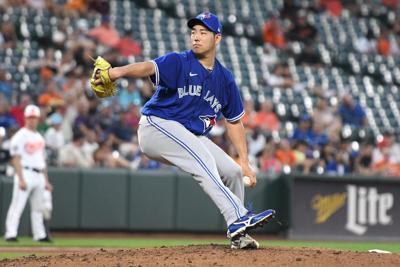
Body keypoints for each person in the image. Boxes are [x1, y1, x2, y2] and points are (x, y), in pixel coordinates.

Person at [93, 12, 275, 249]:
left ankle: (239, 235)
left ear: (217, 38)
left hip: (189, 134)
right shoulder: (179, 61)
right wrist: (116, 72)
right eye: (193, 32)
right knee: (204, 159)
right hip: (156, 125)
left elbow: (234, 122)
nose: (196, 37)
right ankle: (237, 217)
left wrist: (244, 161)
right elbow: (148, 66)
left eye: (203, 32)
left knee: (231, 170)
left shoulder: (225, 79)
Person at [4, 105, 53, 242]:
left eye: (34, 117)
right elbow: (16, 158)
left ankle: (39, 235)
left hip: (39, 174)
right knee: (17, 205)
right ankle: (10, 233)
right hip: (25, 172)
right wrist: (20, 178)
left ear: (38, 119)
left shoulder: (39, 137)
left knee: (38, 207)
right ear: (25, 118)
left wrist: (46, 181)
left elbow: (42, 160)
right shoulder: (20, 135)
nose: (32, 120)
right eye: (30, 117)